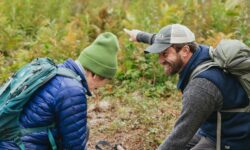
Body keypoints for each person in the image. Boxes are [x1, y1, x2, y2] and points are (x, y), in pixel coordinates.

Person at [124, 24, 250, 150]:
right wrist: (140, 36)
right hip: (215, 128)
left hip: (234, 138)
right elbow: (163, 40)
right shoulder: (199, 51)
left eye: (165, 53)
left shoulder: (200, 88)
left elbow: (180, 136)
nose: (160, 60)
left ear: (185, 50)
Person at [0, 32, 119, 150]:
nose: (95, 90)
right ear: (95, 75)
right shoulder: (72, 91)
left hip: (9, 141)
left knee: (83, 130)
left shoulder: (58, 71)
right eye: (98, 86)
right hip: (20, 146)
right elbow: (75, 146)